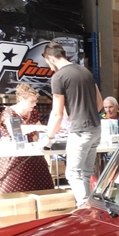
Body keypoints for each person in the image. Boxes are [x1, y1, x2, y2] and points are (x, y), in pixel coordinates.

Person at [41, 41, 103, 207]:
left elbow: (57, 114)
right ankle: (90, 206)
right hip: (96, 128)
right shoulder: (85, 72)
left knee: (73, 173)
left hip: (80, 131)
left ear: (50, 58)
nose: (49, 67)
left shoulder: (58, 77)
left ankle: (85, 207)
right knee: (86, 172)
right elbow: (99, 103)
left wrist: (48, 137)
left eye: (47, 62)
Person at [0, 83, 53, 194]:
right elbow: (16, 131)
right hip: (11, 150)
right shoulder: (9, 112)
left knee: (39, 166)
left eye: (36, 101)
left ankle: (42, 196)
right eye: (32, 101)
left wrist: (47, 137)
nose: (35, 104)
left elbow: (40, 132)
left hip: (29, 150)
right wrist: (37, 127)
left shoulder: (33, 112)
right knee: (18, 167)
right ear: (22, 99)